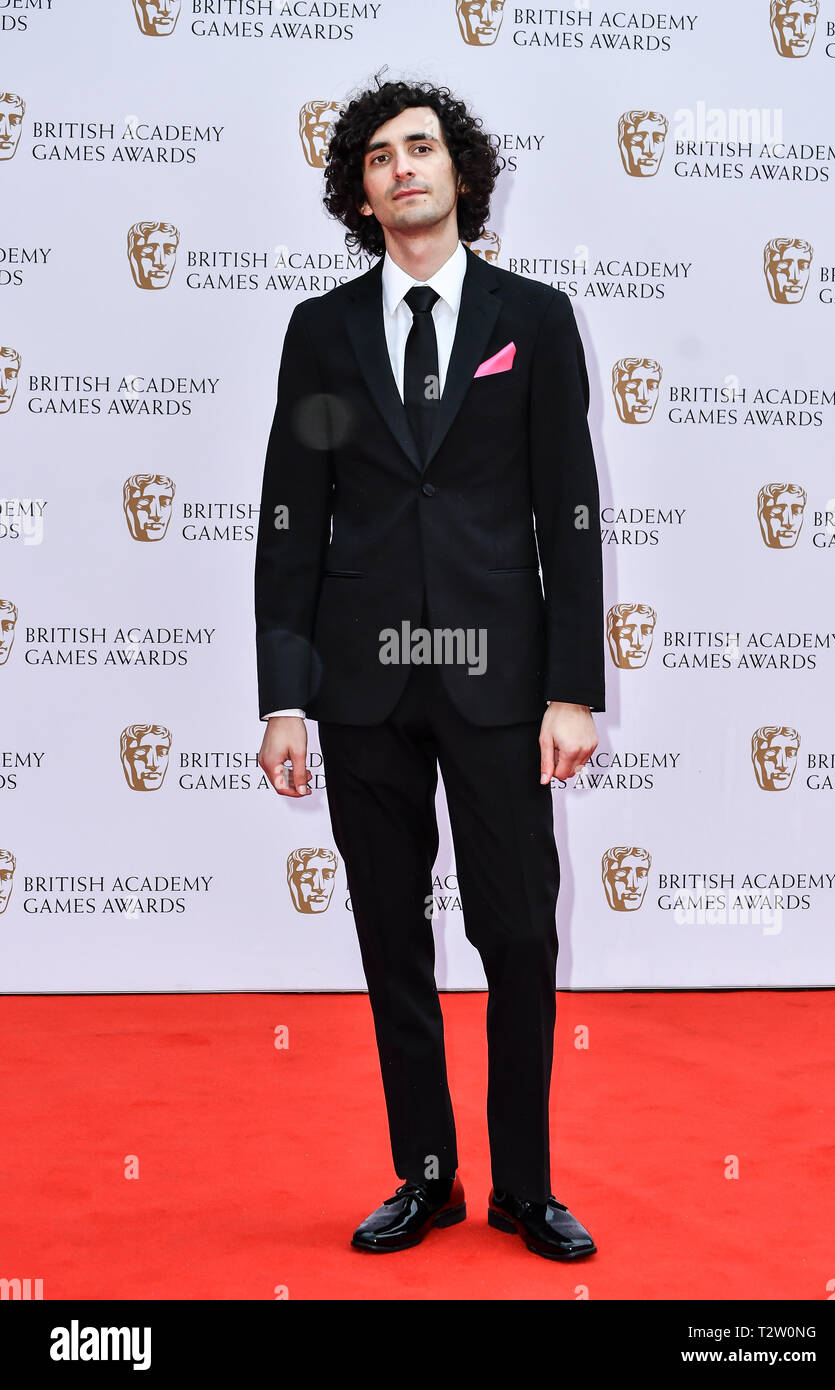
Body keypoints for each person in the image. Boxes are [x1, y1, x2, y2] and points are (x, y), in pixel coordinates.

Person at [255, 76, 605, 1261]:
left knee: (519, 935)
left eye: (423, 149)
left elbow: (569, 512)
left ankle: (522, 1186)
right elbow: (291, 519)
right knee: (389, 934)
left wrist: (573, 687)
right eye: (379, 157)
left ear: (461, 173)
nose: (403, 167)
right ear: (358, 192)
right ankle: (427, 1174)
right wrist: (282, 695)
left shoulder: (536, 318)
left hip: (501, 680)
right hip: (362, 687)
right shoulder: (321, 329)